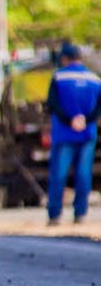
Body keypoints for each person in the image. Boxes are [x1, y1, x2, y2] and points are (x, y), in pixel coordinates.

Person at [45, 43, 101, 226]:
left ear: (64, 58)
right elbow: (99, 107)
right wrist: (85, 120)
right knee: (84, 175)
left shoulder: (59, 77)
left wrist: (70, 121)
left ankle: (54, 215)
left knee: (59, 175)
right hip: (87, 133)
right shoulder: (94, 79)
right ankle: (80, 214)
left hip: (64, 135)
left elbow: (52, 104)